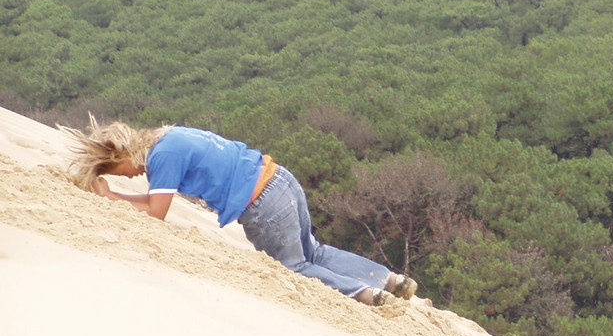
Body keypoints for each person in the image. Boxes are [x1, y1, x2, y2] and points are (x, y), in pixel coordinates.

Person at [60, 116, 417, 306]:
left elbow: (156, 213)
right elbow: (158, 204)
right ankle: (389, 279)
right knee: (314, 250)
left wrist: (111, 199)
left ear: (119, 155)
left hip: (260, 202)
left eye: (114, 170)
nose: (128, 176)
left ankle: (367, 295)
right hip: (280, 179)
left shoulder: (160, 159)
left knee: (294, 267)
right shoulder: (170, 137)